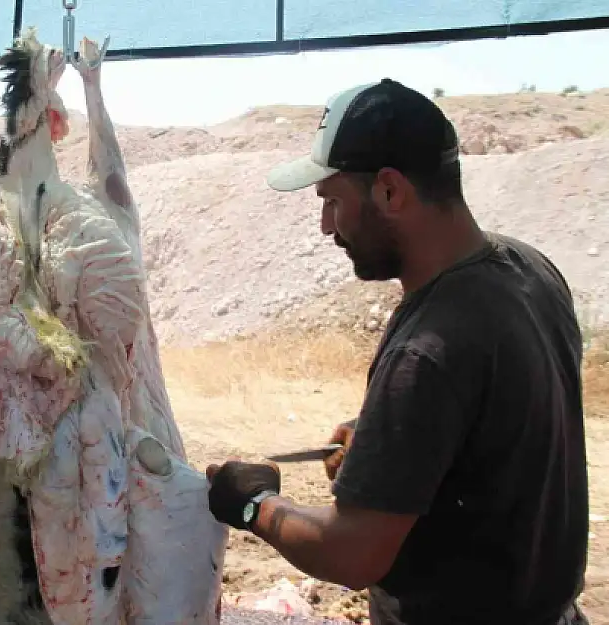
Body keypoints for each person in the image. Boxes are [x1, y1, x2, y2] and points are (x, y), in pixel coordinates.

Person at [204, 79, 589, 625]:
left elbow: (351, 553)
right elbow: (502, 422)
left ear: (389, 190)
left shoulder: (429, 349)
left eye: (333, 202)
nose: (325, 227)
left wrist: (255, 505)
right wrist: (394, 441)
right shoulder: (528, 270)